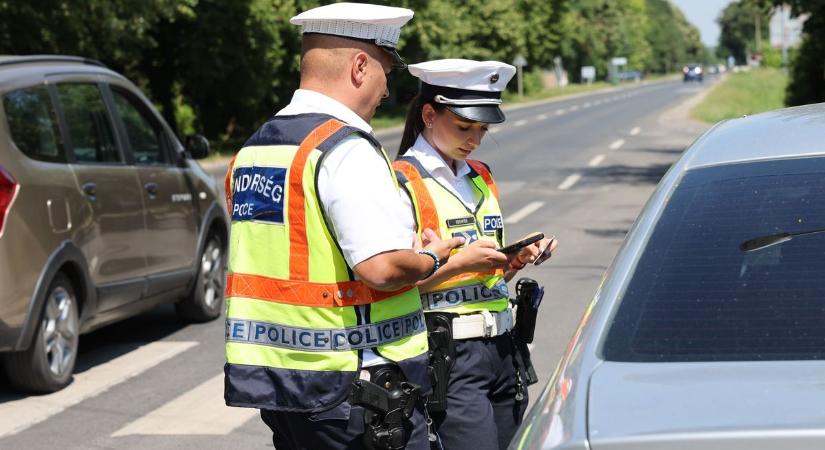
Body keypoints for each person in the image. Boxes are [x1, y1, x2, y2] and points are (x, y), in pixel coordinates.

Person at [223, 5, 467, 449]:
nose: (386, 90)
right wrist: (432, 256)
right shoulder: (345, 149)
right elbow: (381, 268)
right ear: (359, 67)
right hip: (358, 390)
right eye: (385, 72)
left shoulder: (256, 149)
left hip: (284, 384)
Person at [393, 59, 558, 450]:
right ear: (429, 114)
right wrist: (460, 263)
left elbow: (487, 279)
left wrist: (514, 260)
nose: (475, 139)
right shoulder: (402, 181)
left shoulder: (480, 176)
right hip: (449, 354)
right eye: (465, 127)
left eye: (482, 129)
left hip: (502, 346)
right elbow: (391, 283)